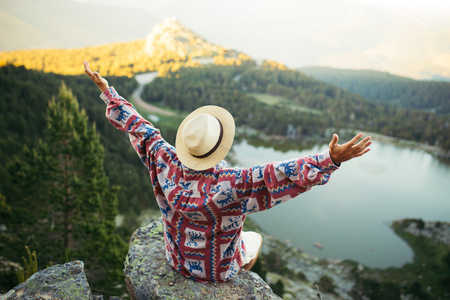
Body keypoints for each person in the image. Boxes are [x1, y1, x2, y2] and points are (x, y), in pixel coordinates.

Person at [84, 60, 372, 282]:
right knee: (254, 241)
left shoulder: (165, 161)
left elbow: (142, 131)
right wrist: (329, 159)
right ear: (220, 146)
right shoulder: (235, 184)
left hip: (178, 261)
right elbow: (282, 174)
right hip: (218, 272)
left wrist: (110, 94)